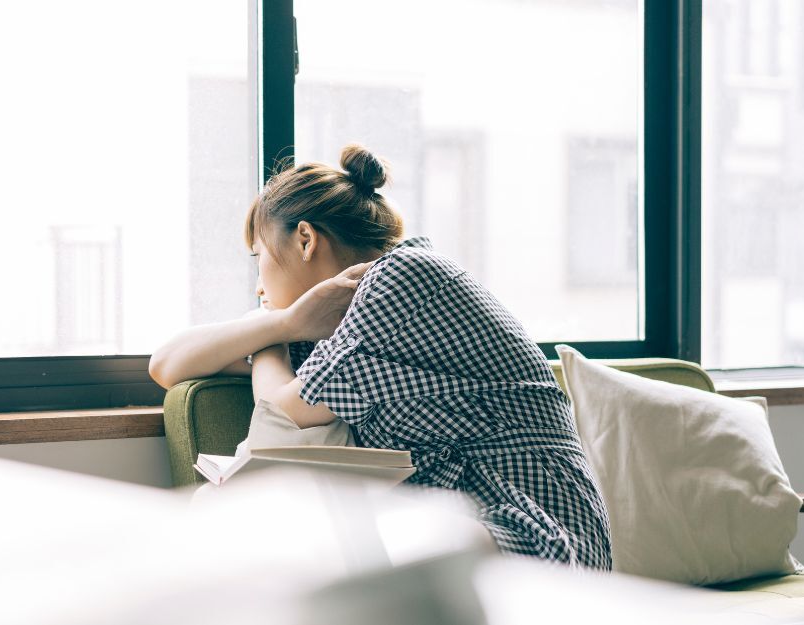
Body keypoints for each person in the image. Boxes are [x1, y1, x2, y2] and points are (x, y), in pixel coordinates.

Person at [149, 144, 611, 569]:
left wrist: (272, 333)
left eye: (259, 258)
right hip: (456, 519)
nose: (258, 287)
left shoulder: (404, 276)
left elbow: (285, 416)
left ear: (305, 239)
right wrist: (283, 325)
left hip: (534, 522)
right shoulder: (327, 331)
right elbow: (168, 364)